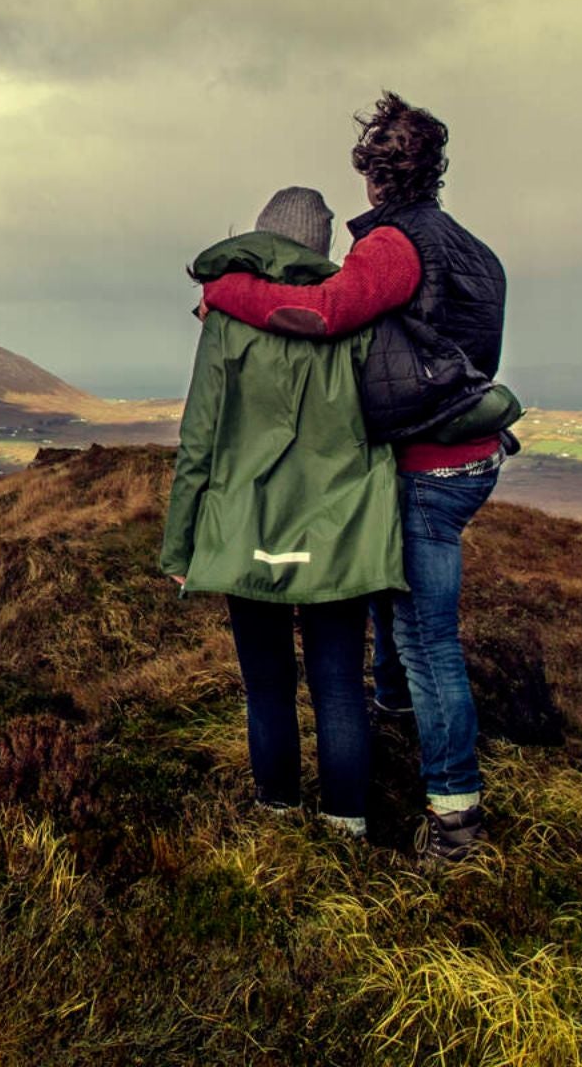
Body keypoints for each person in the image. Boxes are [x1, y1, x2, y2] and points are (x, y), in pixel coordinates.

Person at [197, 94, 510, 863]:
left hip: (426, 465)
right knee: (390, 629)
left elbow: (327, 313)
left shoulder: (394, 247)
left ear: (375, 177)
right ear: (433, 170)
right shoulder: (476, 251)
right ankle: (395, 730)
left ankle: (454, 817)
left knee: (424, 636)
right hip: (469, 454)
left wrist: (225, 291)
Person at [162, 186, 406, 841]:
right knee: (339, 685)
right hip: (340, 534)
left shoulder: (226, 319)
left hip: (247, 528)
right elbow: (384, 428)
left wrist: (181, 548)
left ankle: (277, 813)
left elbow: (198, 439)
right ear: (322, 248)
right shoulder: (357, 317)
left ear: (261, 238)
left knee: (267, 683)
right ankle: (345, 826)